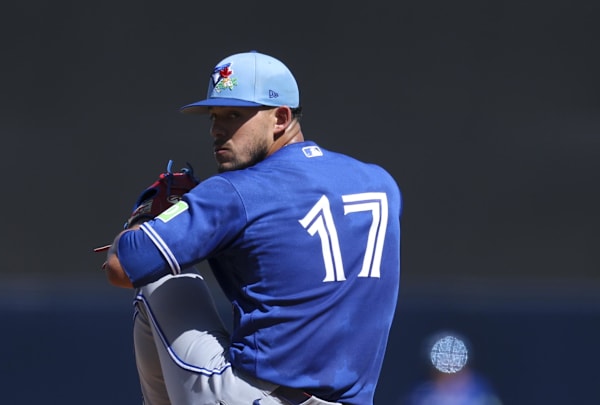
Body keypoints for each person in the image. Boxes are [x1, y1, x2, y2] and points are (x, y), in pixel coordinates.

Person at [102, 50, 402, 405]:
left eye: (234, 115)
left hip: (258, 398)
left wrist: (143, 220)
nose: (217, 130)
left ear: (281, 118)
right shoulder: (381, 183)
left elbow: (121, 268)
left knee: (158, 280)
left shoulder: (235, 192)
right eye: (214, 116)